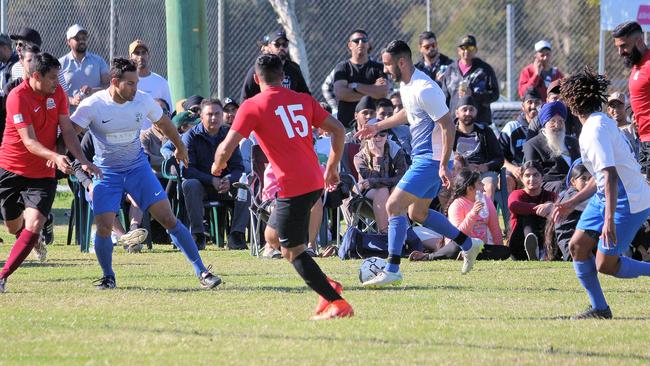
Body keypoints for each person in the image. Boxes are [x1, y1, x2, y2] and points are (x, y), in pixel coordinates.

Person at [212, 53, 352, 320]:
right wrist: (332, 167)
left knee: (291, 250)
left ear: (256, 79)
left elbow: (226, 147)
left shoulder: (253, 105)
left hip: (293, 185)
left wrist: (217, 166)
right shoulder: (303, 99)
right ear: (283, 77)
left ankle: (336, 302)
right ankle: (328, 285)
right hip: (313, 180)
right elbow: (338, 129)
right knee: (272, 237)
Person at [69, 57, 221, 290]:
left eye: (136, 83)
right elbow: (71, 133)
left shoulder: (142, 100)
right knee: (103, 226)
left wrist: (180, 147)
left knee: (169, 218)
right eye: (130, 83)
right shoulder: (93, 105)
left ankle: (202, 272)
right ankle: (108, 276)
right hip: (107, 173)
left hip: (137, 169)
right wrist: (81, 161)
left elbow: (164, 123)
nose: (135, 88)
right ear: (114, 81)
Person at [355, 40, 484, 287]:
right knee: (418, 213)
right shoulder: (407, 85)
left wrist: (442, 163)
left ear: (401, 62)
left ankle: (392, 269)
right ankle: (468, 243)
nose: (384, 69)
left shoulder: (425, 87)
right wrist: (377, 126)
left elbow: (448, 125)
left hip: (430, 160)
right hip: (424, 158)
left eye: (387, 64)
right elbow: (409, 113)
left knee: (394, 206)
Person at [553, 67, 650, 319]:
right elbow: (600, 177)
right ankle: (599, 309)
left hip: (627, 200)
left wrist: (608, 220)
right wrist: (571, 202)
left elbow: (609, 175)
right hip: (609, 196)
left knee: (605, 265)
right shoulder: (599, 121)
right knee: (577, 246)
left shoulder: (593, 130)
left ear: (573, 103)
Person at [0, 52, 100, 293]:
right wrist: (55, 157)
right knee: (14, 227)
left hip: (43, 174)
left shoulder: (58, 94)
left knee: (34, 224)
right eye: (53, 78)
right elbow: (29, 141)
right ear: (36, 76)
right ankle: (29, 238)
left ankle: (2, 277)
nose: (58, 82)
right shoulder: (17, 97)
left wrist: (83, 160)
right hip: (11, 169)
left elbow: (67, 131)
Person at [181, 98, 247, 250]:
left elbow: (238, 168)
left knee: (244, 187)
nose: (214, 118)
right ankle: (198, 235)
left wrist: (229, 180)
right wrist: (211, 180)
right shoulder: (190, 136)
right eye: (209, 114)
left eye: (217, 114)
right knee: (189, 184)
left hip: (225, 186)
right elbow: (187, 170)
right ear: (201, 117)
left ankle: (236, 235)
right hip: (201, 186)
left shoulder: (229, 135)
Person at [353, 122, 408, 233]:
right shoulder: (359, 157)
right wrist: (378, 157)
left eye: (382, 134)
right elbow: (370, 181)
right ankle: (384, 233)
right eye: (374, 135)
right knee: (382, 190)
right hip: (364, 196)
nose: (378, 137)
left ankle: (401, 232)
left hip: (391, 190)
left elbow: (401, 178)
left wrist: (375, 182)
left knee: (396, 190)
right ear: (367, 137)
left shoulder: (396, 151)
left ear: (387, 135)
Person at [613, 21, 650, 183]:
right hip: (643, 140)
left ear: (639, 41)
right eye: (618, 47)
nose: (620, 52)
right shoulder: (637, 65)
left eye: (624, 46)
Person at [333, 29, 389, 128]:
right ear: (350, 45)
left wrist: (355, 86)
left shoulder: (378, 68)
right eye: (356, 41)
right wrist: (372, 92)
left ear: (368, 44)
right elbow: (341, 93)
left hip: (374, 127)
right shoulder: (342, 67)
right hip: (346, 126)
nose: (360, 43)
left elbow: (382, 92)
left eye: (364, 40)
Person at [523, 101, 580, 193]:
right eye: (552, 121)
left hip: (576, 185)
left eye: (561, 121)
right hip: (550, 189)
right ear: (544, 124)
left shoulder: (572, 142)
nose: (557, 126)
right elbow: (532, 175)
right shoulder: (532, 145)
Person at [453, 95, 503, 200]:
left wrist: (486, 166)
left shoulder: (485, 131)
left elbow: (499, 158)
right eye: (464, 110)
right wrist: (464, 166)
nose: (468, 113)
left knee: (488, 187)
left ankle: (485, 215)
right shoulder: (450, 132)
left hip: (483, 173)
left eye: (471, 110)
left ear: (476, 112)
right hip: (458, 172)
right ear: (457, 113)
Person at [441, 35, 499, 125]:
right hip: (455, 122)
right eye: (463, 47)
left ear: (475, 50)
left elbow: (495, 94)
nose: (466, 51)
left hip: (479, 121)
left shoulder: (484, 69)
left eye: (470, 47)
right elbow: (444, 98)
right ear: (458, 50)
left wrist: (474, 95)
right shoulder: (450, 70)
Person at [240, 30, 309, 101]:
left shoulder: (294, 68)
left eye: (285, 44)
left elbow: (305, 95)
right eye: (277, 44)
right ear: (269, 46)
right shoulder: (258, 69)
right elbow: (245, 99)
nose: (281, 48)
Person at [508, 161, 556, 260]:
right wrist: (542, 209)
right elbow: (514, 206)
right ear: (521, 178)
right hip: (519, 246)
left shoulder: (550, 195)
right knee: (526, 214)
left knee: (554, 214)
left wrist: (552, 206)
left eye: (535, 175)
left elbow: (562, 206)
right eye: (527, 175)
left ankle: (544, 251)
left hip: (546, 243)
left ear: (542, 177)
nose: (531, 179)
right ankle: (532, 248)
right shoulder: (517, 194)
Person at [499, 87, 543, 192]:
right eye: (530, 102)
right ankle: (509, 209)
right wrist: (513, 169)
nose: (533, 106)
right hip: (516, 171)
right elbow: (499, 156)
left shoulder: (547, 127)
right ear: (523, 106)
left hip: (540, 172)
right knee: (505, 180)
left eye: (537, 103)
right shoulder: (512, 127)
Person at [59, 24, 110, 113]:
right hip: (70, 116)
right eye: (77, 39)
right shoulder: (60, 63)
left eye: (84, 38)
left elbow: (108, 85)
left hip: (96, 114)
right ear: (68, 42)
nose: (82, 41)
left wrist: (92, 91)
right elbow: (55, 91)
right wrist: (71, 100)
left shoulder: (98, 61)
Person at [551, 162, 592, 261]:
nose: (587, 182)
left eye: (590, 179)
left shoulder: (584, 196)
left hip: (584, 243)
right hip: (571, 246)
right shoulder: (571, 195)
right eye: (583, 178)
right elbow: (597, 206)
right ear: (573, 181)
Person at [129, 40, 172, 129]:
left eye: (143, 53)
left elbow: (169, 112)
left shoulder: (161, 82)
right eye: (137, 53)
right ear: (130, 57)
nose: (141, 57)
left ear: (148, 55)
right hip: (131, 136)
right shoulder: (126, 82)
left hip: (156, 138)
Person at [607, 91, 639, 158]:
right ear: (608, 110)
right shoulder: (608, 131)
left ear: (626, 107)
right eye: (613, 106)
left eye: (619, 105)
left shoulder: (634, 128)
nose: (615, 110)